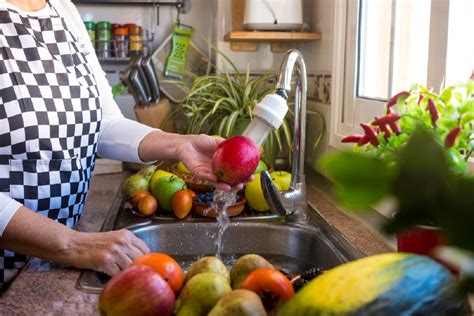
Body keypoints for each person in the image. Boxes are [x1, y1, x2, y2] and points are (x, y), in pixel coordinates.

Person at [0, 0, 245, 291]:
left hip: (49, 267)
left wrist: (183, 145)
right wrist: (72, 244)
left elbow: (105, 124)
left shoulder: (63, 10)